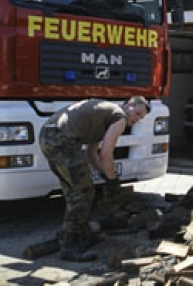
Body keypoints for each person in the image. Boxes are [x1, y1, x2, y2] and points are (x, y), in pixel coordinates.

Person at [39, 96, 150, 262]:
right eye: (137, 113)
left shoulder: (104, 115)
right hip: (62, 139)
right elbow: (106, 154)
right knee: (83, 193)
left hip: (48, 136)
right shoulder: (119, 117)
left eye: (141, 117)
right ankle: (70, 246)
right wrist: (113, 183)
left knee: (73, 191)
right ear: (128, 105)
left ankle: (80, 235)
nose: (136, 119)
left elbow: (93, 154)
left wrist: (106, 176)